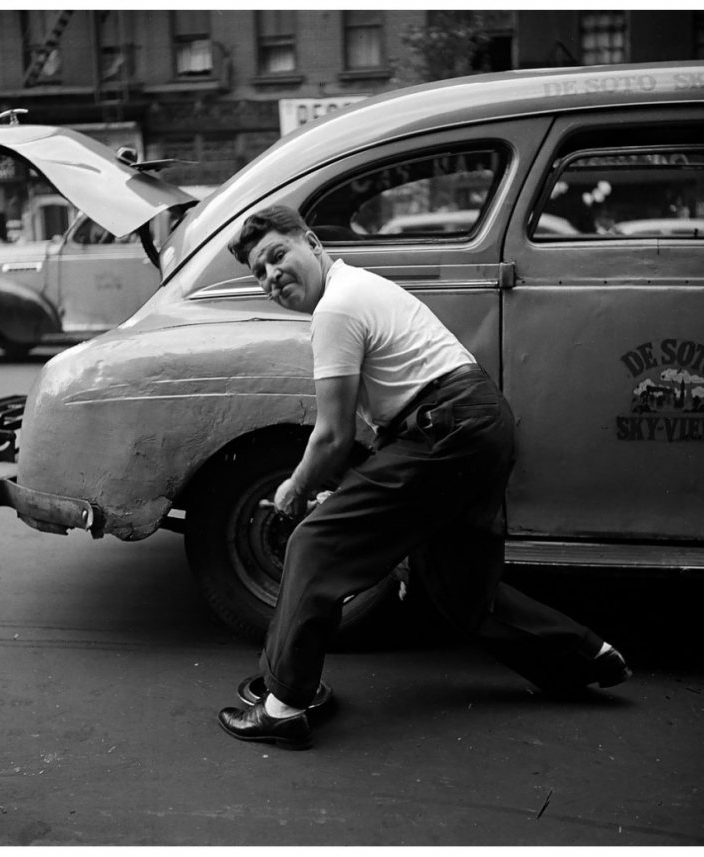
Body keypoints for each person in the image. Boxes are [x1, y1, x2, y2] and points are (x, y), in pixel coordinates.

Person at [218, 205, 631, 751]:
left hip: (445, 428)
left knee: (315, 543)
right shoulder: (356, 290)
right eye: (259, 272)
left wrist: (295, 487)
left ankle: (285, 703)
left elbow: (332, 437)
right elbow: (379, 433)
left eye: (277, 256)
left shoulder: (336, 307)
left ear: (312, 243)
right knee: (458, 587)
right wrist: (349, 491)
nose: (271, 276)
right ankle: (585, 657)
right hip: (471, 424)